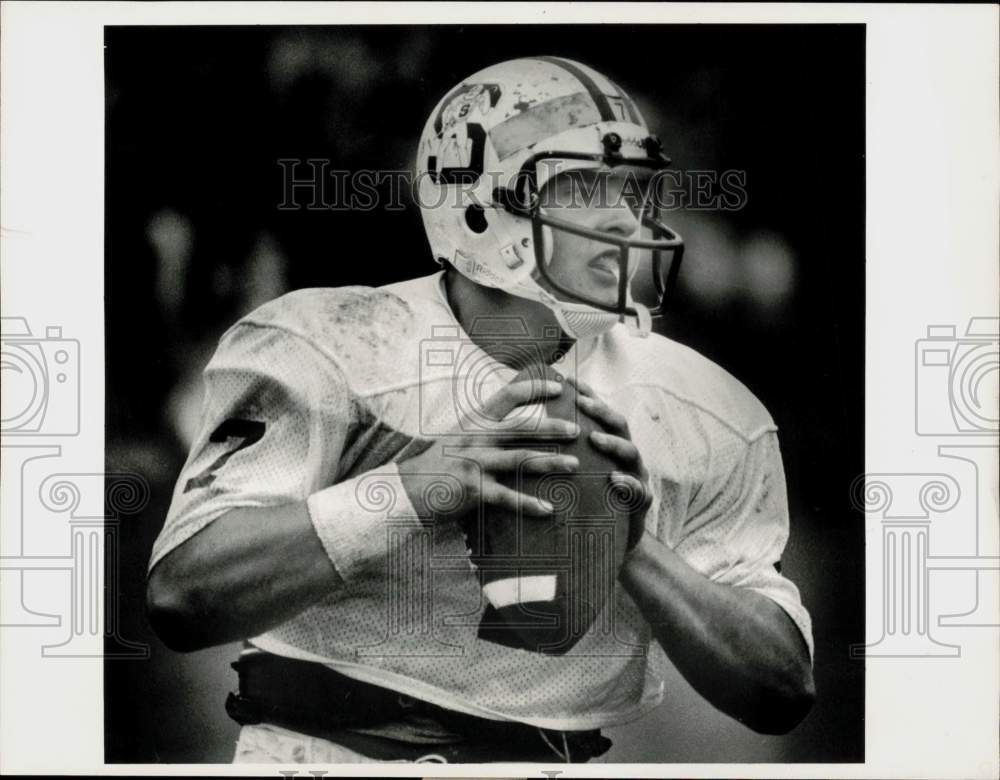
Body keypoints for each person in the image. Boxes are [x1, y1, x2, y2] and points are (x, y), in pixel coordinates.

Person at [146, 56, 815, 764]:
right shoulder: (332, 344)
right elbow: (185, 596)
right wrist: (416, 488)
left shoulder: (703, 410)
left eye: (635, 187)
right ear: (479, 200)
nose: (627, 217)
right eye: (586, 185)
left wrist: (635, 549)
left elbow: (780, 689)